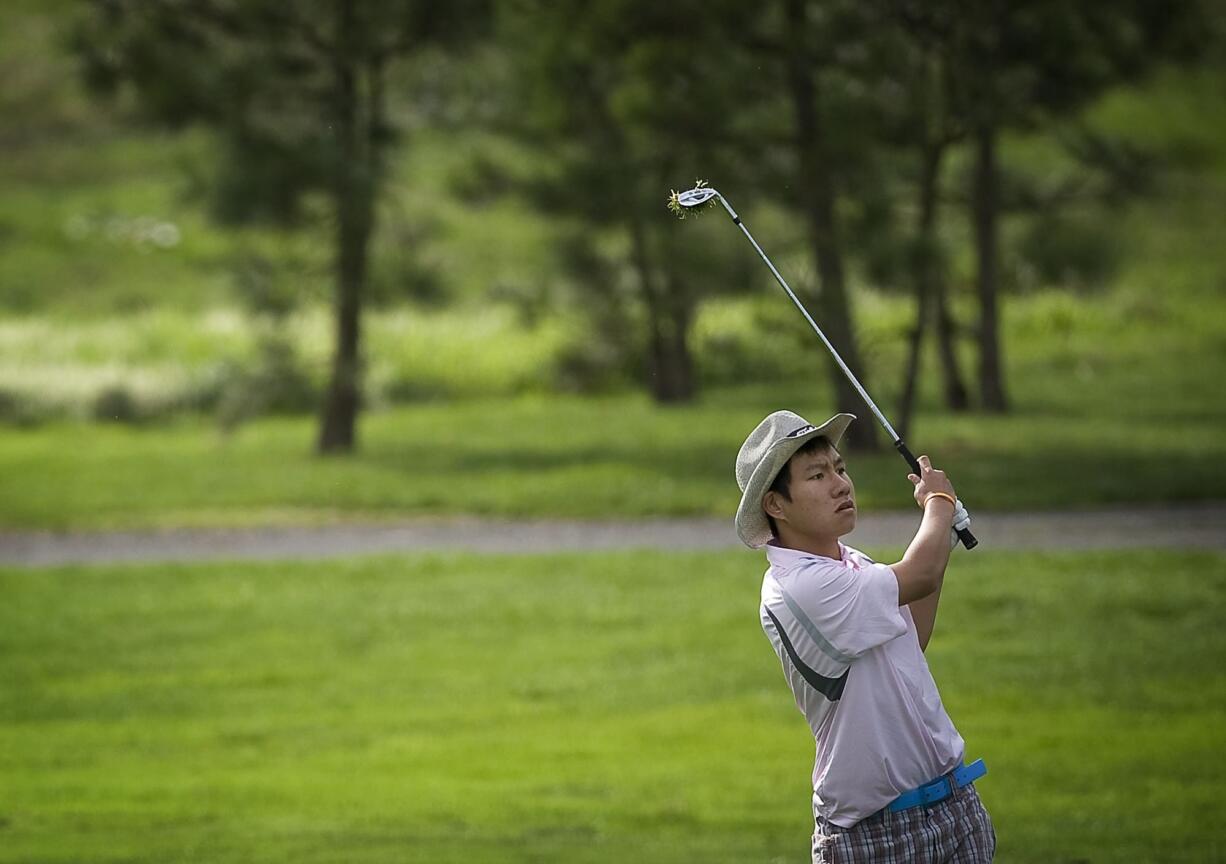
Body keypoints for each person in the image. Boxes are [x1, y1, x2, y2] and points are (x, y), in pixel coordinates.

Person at [735, 409, 994, 863]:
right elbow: (920, 573)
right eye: (817, 475)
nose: (840, 483)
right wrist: (939, 505)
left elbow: (912, 634)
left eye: (840, 468)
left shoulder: (848, 562)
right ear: (775, 505)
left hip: (953, 806)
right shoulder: (799, 586)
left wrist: (944, 538)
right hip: (878, 832)